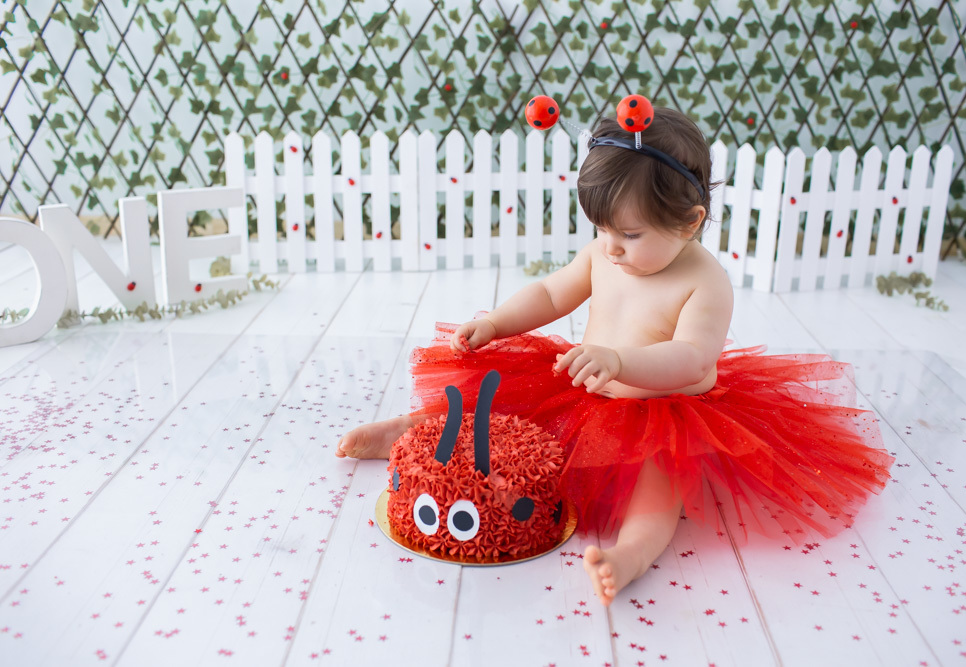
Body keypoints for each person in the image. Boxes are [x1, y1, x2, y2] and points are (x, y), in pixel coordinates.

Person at [336, 106, 893, 606]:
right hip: (582, 383)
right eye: (601, 229)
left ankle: (630, 555)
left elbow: (695, 359)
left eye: (629, 232)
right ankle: (412, 434)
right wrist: (497, 322)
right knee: (501, 414)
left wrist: (623, 364)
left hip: (661, 408)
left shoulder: (706, 282)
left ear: (690, 222)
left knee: (657, 487)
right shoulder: (607, 253)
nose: (610, 246)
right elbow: (554, 293)